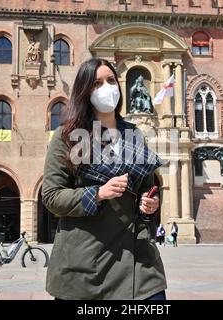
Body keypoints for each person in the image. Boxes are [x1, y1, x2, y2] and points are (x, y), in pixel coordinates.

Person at [42, 58, 167, 300]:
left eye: (111, 81)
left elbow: (147, 187)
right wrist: (98, 193)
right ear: (84, 91)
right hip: (86, 263)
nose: (107, 88)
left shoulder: (133, 134)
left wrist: (149, 202)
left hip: (138, 262)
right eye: (97, 83)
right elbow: (52, 196)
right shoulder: (66, 136)